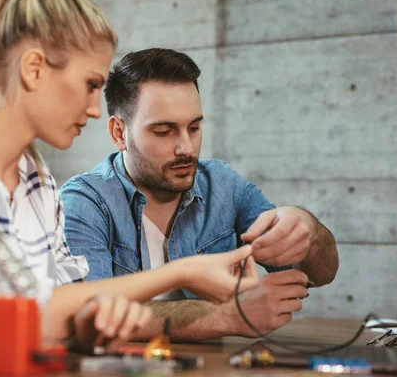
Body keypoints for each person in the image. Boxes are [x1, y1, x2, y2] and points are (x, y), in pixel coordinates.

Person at [0, 0, 259, 361]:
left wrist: (98, 322)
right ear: (34, 68)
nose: (92, 108)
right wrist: (181, 273)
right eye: (89, 85)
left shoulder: (39, 181)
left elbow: (67, 309)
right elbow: (6, 320)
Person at [61, 48, 339, 341]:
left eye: (193, 127)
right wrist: (227, 316)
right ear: (119, 133)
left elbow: (321, 274)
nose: (186, 148)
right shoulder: (84, 202)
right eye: (164, 131)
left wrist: (308, 231)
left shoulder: (223, 185)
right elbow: (88, 317)